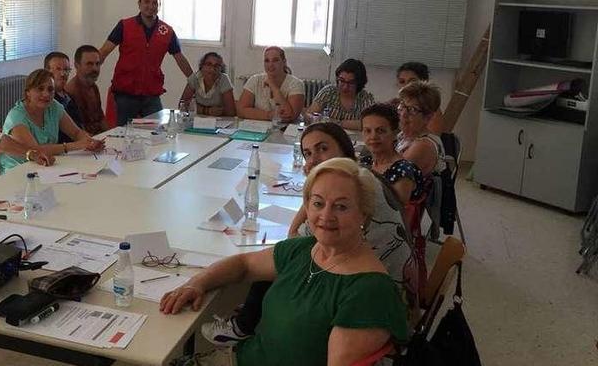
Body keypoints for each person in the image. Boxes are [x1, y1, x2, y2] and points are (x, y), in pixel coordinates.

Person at [161, 158, 408, 366]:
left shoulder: (368, 291)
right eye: (318, 203)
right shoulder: (305, 250)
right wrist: (197, 283)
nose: (326, 216)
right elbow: (244, 265)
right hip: (244, 357)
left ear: (364, 213)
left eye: (341, 207)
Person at [360, 102, 428, 304]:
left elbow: (395, 212)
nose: (373, 137)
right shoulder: (366, 162)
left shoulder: (403, 170)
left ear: (395, 133)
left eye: (381, 131)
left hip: (387, 239)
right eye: (367, 130)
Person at [99, 0, 194, 126]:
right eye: (146, 2)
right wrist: (90, 70)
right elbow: (104, 51)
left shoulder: (166, 31)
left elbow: (179, 58)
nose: (150, 6)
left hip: (151, 94)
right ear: (139, 3)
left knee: (158, 132)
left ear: (159, 5)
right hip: (125, 93)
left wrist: (194, 81)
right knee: (122, 133)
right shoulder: (125, 26)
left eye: (155, 3)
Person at [0, 69, 104, 174]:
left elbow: (76, 132)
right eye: (40, 89)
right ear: (28, 92)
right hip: (17, 170)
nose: (46, 94)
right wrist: (76, 145)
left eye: (50, 89)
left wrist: (90, 142)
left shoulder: (53, 106)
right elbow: (35, 151)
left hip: (47, 166)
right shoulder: (16, 116)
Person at [237, 46, 304, 122]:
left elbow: (290, 116)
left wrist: (273, 87)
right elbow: (241, 111)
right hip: (260, 129)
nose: (270, 65)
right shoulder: (255, 80)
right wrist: (269, 115)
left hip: (287, 130)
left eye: (275, 60)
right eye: (267, 61)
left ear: (284, 62)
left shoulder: (296, 84)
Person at [307, 58, 375, 130]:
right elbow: (310, 114)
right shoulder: (328, 91)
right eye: (342, 81)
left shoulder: (366, 98)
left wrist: (337, 123)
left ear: (359, 83)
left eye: (351, 83)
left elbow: (369, 123)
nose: (345, 86)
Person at [397, 81, 445, 177]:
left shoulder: (423, 146)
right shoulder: (404, 136)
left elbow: (392, 176)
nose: (403, 114)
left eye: (413, 109)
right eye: (403, 106)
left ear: (428, 117)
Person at [66, 45, 109, 135]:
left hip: (98, 137)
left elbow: (101, 118)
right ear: (77, 65)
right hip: (86, 141)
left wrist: (112, 136)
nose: (95, 68)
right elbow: (78, 129)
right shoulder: (71, 91)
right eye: (89, 64)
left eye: (97, 64)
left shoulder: (93, 87)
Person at [179, 52, 235, 116]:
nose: (212, 69)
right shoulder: (195, 78)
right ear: (202, 66)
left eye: (216, 66)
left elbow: (231, 111)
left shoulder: (224, 79)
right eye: (208, 64)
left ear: (221, 69)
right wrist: (207, 111)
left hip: (219, 121)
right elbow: (182, 106)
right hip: (198, 120)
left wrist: (198, 108)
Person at [396, 61, 444, 134]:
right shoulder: (398, 104)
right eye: (402, 81)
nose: (406, 85)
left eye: (412, 81)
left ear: (424, 83)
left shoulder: (431, 109)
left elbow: (432, 137)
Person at [44, 51, 81, 143]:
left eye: (66, 70)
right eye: (58, 69)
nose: (63, 74)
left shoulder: (70, 96)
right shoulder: (45, 101)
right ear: (46, 71)